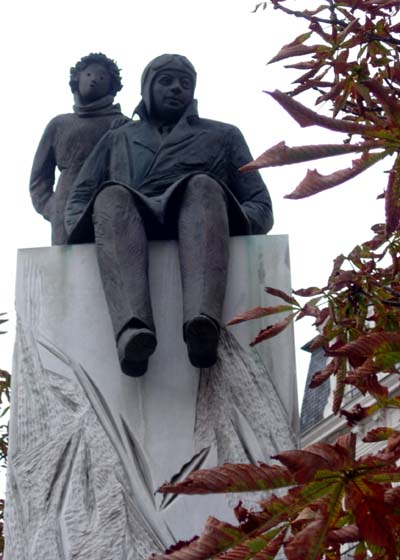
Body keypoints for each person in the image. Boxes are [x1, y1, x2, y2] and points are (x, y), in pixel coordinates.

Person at [65, 53, 274, 376]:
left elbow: (260, 203)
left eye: (185, 83)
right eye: (166, 81)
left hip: (199, 215)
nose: (177, 88)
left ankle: (202, 325)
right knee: (110, 196)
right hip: (130, 218)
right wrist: (83, 230)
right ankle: (132, 333)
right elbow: (79, 197)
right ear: (147, 88)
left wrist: (225, 219)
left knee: (203, 185)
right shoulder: (118, 137)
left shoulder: (224, 135)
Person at [30, 53, 128, 245]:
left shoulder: (122, 124)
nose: (94, 81)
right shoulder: (59, 124)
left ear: (112, 86)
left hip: (107, 200)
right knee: (67, 269)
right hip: (65, 200)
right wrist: (50, 206)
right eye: (89, 74)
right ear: (77, 78)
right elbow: (39, 177)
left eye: (101, 77)